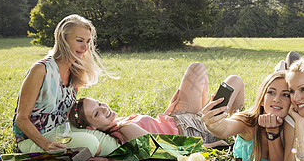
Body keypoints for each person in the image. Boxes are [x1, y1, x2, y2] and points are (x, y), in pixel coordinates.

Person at [13, 14, 119, 157]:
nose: (85, 47)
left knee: (113, 145)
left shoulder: (74, 70)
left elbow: (66, 112)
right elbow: (21, 119)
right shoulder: (41, 70)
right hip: (33, 139)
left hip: (62, 131)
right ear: (63, 39)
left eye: (88, 41)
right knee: (91, 143)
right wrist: (46, 145)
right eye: (79, 40)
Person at [68, 62, 245, 147]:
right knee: (234, 82)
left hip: (178, 117)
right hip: (193, 131)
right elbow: (165, 149)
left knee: (196, 68)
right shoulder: (123, 128)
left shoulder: (118, 121)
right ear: (91, 128)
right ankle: (241, 135)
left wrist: (168, 113)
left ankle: (233, 123)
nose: (104, 108)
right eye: (97, 113)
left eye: (99, 103)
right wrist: (210, 146)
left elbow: (154, 129)